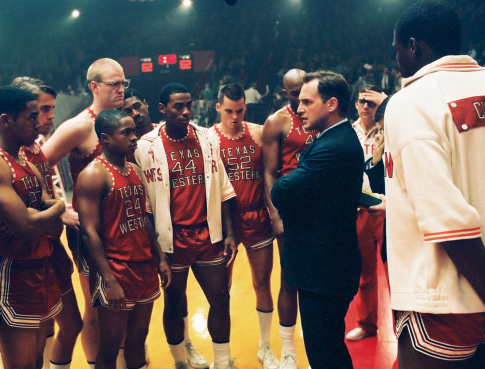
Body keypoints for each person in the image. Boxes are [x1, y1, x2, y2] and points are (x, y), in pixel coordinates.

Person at [385, 1, 485, 368]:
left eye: (397, 50)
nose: (397, 61)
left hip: (445, 296)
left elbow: (447, 219)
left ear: (415, 46)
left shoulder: (410, 102)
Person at [135, 83, 237, 369]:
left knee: (220, 299)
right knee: (174, 304)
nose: (185, 111)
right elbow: (145, 208)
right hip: (172, 241)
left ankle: (223, 360)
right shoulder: (146, 146)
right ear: (162, 109)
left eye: (189, 105)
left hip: (208, 236)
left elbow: (224, 189)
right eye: (178, 106)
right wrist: (157, 253)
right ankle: (180, 361)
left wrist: (230, 233)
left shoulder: (206, 138)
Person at [271, 71, 364, 369]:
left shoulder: (334, 146)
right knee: (329, 348)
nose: (299, 109)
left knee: (324, 353)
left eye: (307, 102)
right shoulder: (333, 139)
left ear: (331, 104)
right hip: (324, 266)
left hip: (323, 270)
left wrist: (289, 191)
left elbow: (282, 191)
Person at [41, 58, 129, 368]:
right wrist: (58, 208)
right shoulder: (80, 125)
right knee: (95, 307)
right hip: (90, 232)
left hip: (123, 228)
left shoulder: (121, 121)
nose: (121, 89)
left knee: (124, 303)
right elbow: (39, 163)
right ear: (94, 86)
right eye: (114, 84)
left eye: (123, 83)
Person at [121, 87, 209, 368]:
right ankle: (142, 351)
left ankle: (184, 348)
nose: (134, 113)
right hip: (141, 233)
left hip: (179, 234)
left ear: (149, 105)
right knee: (143, 305)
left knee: (177, 299)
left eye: (136, 106)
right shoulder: (128, 147)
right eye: (127, 111)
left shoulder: (175, 132)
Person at [77, 109, 171, 369]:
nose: (133, 138)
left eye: (133, 131)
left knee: (138, 339)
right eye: (126, 133)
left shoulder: (134, 169)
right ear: (105, 138)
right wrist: (108, 279)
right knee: (110, 346)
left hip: (143, 265)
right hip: (117, 271)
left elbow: (142, 218)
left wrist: (160, 258)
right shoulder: (93, 175)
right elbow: (89, 232)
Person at [11, 77, 83, 369]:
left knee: (69, 325)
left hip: (52, 249)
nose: (51, 115)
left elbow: (52, 195)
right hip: (24, 257)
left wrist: (59, 208)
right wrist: (56, 211)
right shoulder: (9, 154)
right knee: (32, 343)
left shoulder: (38, 147)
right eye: (42, 109)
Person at [208, 84, 277, 369]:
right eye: (228, 111)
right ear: (217, 108)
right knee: (220, 292)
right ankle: (222, 356)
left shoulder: (260, 133)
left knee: (262, 284)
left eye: (239, 110)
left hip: (257, 217)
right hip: (224, 224)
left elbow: (273, 173)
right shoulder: (208, 138)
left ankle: (265, 347)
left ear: (245, 108)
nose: (234, 116)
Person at [0, 86, 66, 369]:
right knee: (21, 364)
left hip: (39, 263)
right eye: (30, 117)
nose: (38, 124)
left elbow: (53, 229)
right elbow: (27, 226)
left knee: (37, 357)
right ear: (6, 120)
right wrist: (60, 206)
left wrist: (48, 210)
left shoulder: (25, 160)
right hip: (11, 269)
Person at [262, 68, 316, 369]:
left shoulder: (318, 113)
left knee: (317, 277)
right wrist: (275, 214)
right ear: (285, 92)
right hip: (291, 210)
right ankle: (287, 349)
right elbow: (268, 173)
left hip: (319, 208)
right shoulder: (277, 122)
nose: (300, 98)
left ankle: (313, 346)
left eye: (304, 90)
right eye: (294, 92)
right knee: (290, 278)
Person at [346, 85, 387, 342]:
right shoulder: (348, 132)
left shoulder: (390, 128)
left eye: (371, 103)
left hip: (390, 206)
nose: (365, 107)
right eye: (361, 101)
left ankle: (403, 327)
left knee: (397, 270)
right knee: (365, 273)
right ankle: (367, 324)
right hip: (361, 208)